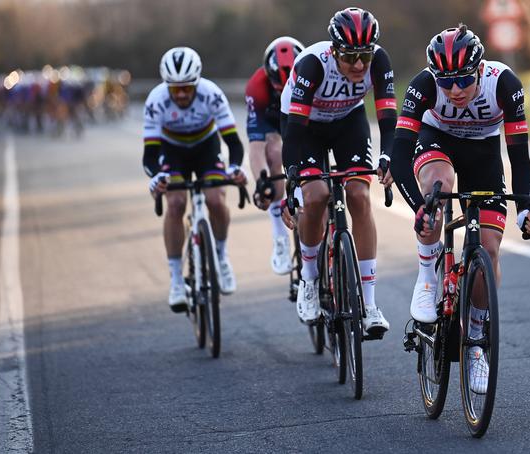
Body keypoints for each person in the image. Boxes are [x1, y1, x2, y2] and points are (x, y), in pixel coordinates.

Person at [389, 25, 530, 392]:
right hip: (436, 140)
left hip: (483, 151)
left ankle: (476, 342)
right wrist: (420, 208)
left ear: (479, 70)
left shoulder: (504, 84)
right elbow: (399, 157)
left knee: (489, 248)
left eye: (462, 79)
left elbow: (519, 157)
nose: (455, 90)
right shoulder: (424, 85)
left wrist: (527, 210)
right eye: (446, 82)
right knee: (436, 188)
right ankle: (428, 278)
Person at [280, 7, 397, 336]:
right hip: (305, 127)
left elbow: (388, 120)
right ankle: (309, 280)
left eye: (365, 55)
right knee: (316, 196)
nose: (359, 65)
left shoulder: (379, 61)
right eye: (350, 57)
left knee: (359, 195)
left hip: (348, 122)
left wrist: (388, 157)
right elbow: (294, 132)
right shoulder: (312, 64)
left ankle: (370, 305)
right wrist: (292, 182)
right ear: (334, 51)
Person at [143, 46, 247, 312]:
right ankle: (177, 279)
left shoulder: (211, 94)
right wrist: (157, 178)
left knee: (216, 199)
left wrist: (234, 167)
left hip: (205, 148)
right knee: (176, 203)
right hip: (172, 151)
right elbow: (150, 156)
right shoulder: (156, 100)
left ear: (197, 83)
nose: (180, 94)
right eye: (174, 88)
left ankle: (221, 258)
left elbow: (234, 143)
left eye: (186, 88)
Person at [246, 36, 305, 275]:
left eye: (288, 85)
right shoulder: (256, 87)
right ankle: (280, 237)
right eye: (278, 88)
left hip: (301, 119)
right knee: (273, 149)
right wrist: (262, 181)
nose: (284, 92)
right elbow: (255, 145)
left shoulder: (313, 74)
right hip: (271, 125)